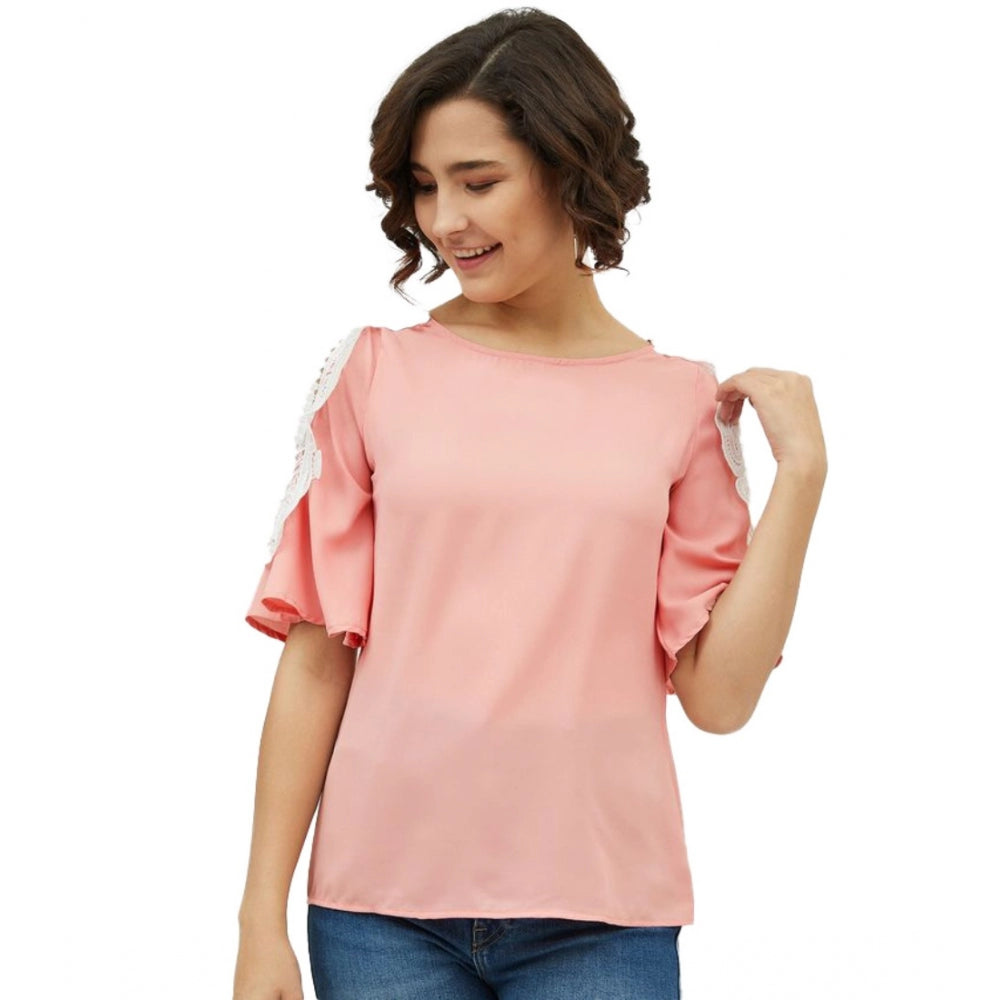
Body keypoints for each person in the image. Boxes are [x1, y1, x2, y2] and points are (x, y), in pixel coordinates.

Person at [233, 8, 827, 1000]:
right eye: (425, 185)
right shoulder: (371, 375)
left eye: (478, 181)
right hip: (379, 912)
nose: (444, 221)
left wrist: (800, 478)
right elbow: (315, 660)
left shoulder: (681, 403)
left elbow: (718, 700)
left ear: (570, 171)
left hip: (602, 917)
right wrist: (261, 916)